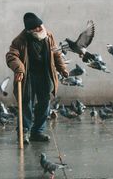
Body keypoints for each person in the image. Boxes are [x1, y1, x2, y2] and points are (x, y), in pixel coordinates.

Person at [6, 12, 69, 144]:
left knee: (44, 104)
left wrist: (62, 68)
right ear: (30, 30)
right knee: (26, 105)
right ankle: (23, 133)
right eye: (36, 28)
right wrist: (19, 69)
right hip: (27, 77)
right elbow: (11, 56)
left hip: (45, 75)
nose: (40, 29)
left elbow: (56, 54)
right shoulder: (20, 40)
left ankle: (37, 132)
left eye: (40, 25)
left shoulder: (48, 35)